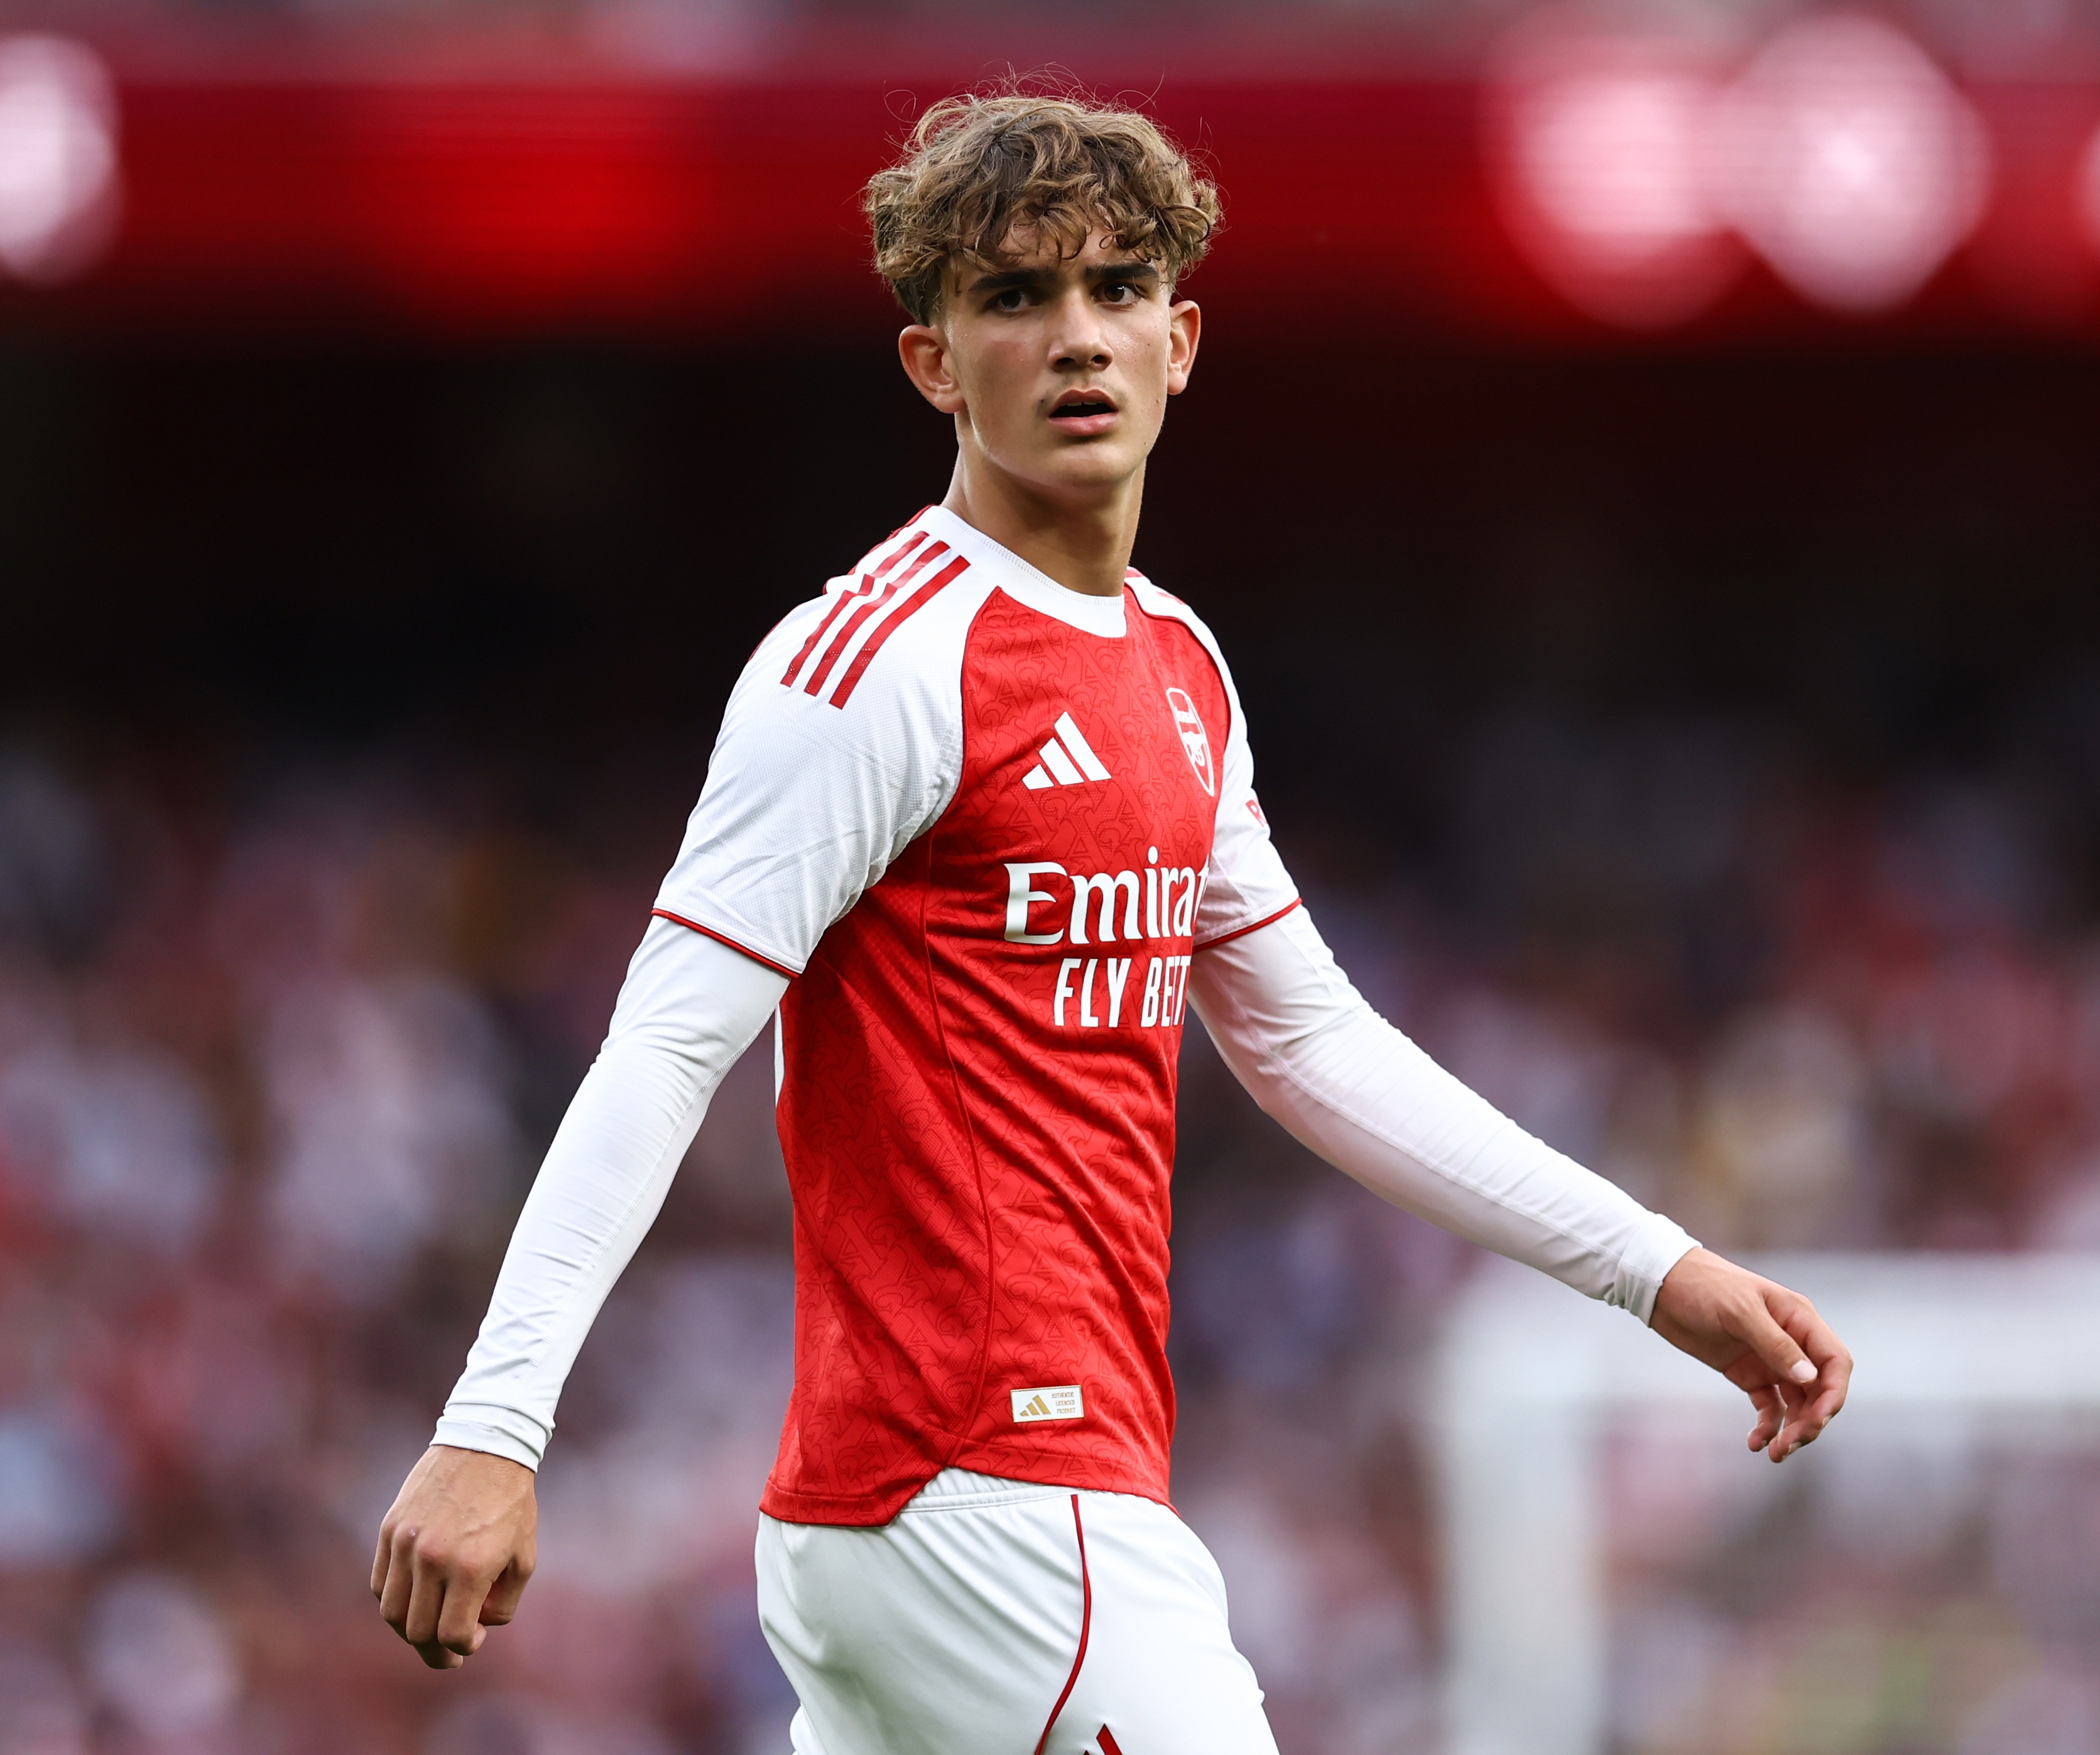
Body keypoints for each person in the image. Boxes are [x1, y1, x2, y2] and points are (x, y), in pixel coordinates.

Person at [371, 87, 1852, 1755]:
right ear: (933, 363)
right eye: (1015, 296)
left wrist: (1659, 1273)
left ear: (1181, 341)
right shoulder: (875, 664)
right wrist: (495, 1424)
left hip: (990, 1505)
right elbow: (664, 1043)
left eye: (1117, 289)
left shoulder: (1177, 666)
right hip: (985, 1495)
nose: (1077, 337)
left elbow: (1310, 1041)